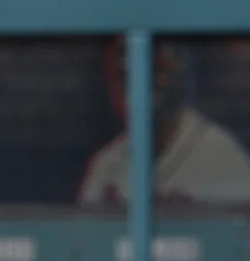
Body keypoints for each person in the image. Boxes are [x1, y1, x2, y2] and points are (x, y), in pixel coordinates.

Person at [78, 39, 250, 207]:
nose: (142, 87)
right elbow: (82, 233)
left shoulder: (221, 155)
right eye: (126, 76)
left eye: (156, 72)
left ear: (180, 77)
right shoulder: (107, 162)